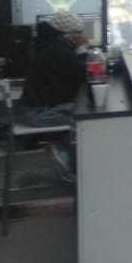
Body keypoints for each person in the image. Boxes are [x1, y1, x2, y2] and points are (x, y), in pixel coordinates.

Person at [21, 11, 88, 182]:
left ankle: (66, 154)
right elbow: (80, 75)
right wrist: (82, 51)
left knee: (81, 111)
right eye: (79, 33)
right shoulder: (60, 51)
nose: (82, 36)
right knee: (86, 119)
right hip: (41, 114)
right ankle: (74, 168)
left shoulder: (48, 45)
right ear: (67, 34)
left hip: (38, 110)